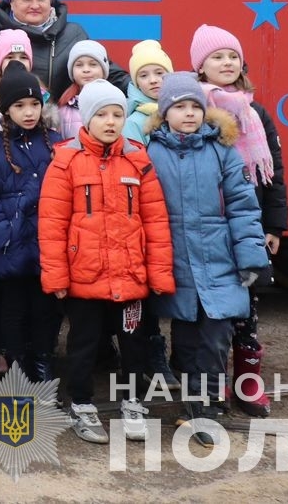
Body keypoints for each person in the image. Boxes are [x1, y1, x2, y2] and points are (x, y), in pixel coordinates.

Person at [39, 80, 174, 445]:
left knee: (134, 346)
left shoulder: (138, 160)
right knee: (83, 345)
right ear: (87, 118)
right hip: (85, 276)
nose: (111, 121)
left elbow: (156, 221)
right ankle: (82, 404)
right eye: (102, 114)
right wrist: (56, 276)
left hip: (130, 277)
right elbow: (52, 224)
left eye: (117, 114)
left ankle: (133, 404)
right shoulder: (65, 161)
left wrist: (159, 273)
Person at [143, 73, 269, 445]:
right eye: (179, 107)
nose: (188, 114)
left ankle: (206, 408)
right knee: (185, 341)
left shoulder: (223, 151)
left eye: (194, 107)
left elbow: (244, 208)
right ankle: (194, 402)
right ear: (165, 113)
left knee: (215, 339)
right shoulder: (152, 153)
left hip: (219, 261)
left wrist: (250, 259)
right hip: (177, 263)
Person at [190, 24, 288, 418]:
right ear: (200, 68)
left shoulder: (255, 112)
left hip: (248, 225)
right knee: (210, 312)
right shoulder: (193, 108)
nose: (226, 63)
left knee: (247, 308)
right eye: (217, 57)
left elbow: (274, 173)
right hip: (208, 224)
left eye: (232, 56)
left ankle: (248, 385)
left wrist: (273, 226)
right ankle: (210, 386)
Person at [0, 63, 59, 383]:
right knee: (12, 309)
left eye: (34, 104)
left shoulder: (55, 141)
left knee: (46, 310)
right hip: (11, 244)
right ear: (6, 109)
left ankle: (44, 363)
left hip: (48, 244)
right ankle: (18, 366)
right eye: (20, 106)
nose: (29, 112)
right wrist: (2, 233)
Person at [121, 39, 179, 388]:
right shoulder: (132, 122)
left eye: (160, 72)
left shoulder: (184, 111)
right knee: (144, 291)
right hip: (145, 213)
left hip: (177, 213)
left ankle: (165, 355)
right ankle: (150, 354)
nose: (154, 80)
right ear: (135, 82)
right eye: (145, 75)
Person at [54, 41, 114, 141]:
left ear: (103, 70)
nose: (86, 70)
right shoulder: (64, 109)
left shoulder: (116, 102)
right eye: (79, 65)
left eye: (93, 64)